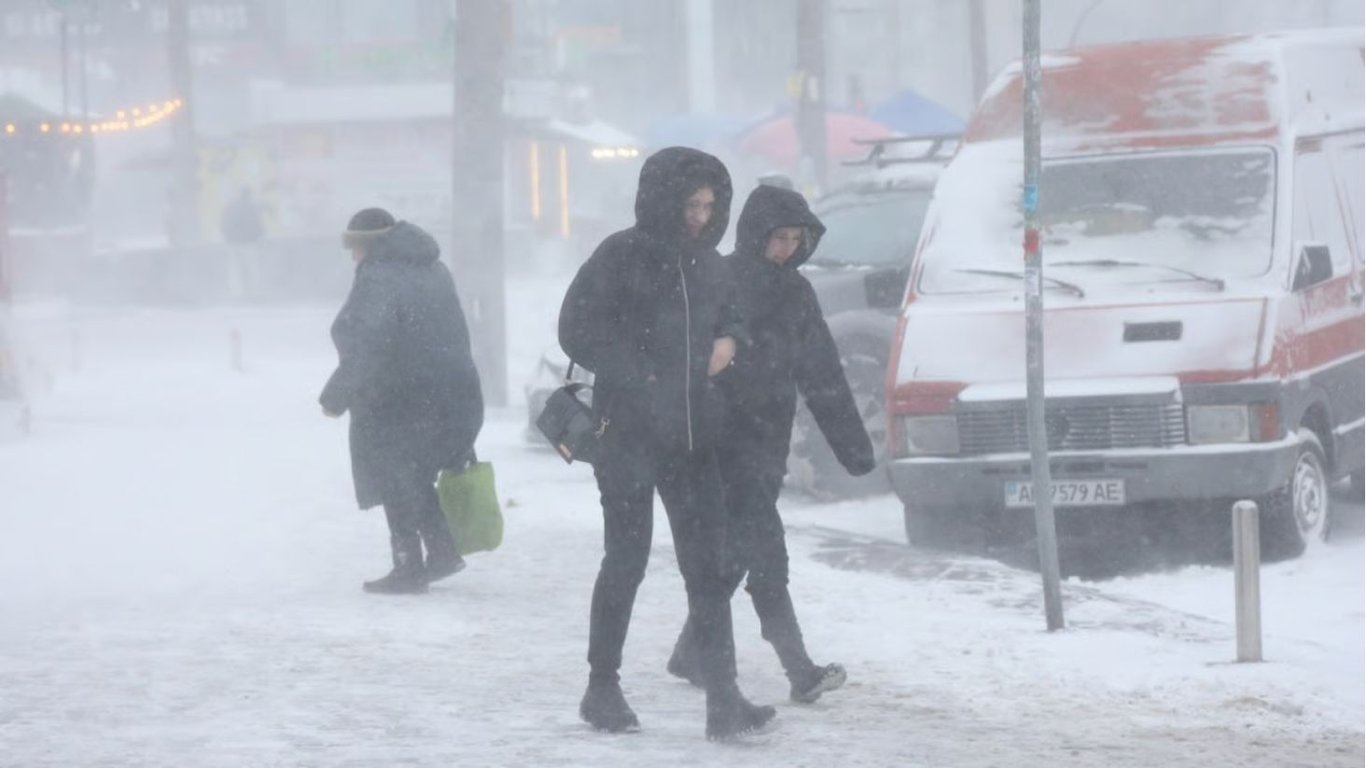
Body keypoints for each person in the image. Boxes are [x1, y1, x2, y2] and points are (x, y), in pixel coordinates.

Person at [558, 146, 776, 740]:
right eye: (691, 204)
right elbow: (575, 327)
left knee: (707, 566)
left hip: (693, 437)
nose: (702, 217)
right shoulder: (620, 255)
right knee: (626, 560)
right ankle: (602, 685)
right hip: (628, 435)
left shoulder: (710, 264)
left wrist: (730, 339)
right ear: (663, 200)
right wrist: (642, 372)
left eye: (709, 205)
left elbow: (733, 317)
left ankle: (724, 697)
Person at [665, 184, 876, 703]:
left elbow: (822, 371)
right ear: (756, 234)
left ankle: (692, 652)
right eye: (777, 238)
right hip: (719, 443)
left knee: (739, 553)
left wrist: (853, 447)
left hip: (766, 447)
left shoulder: (797, 293)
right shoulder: (719, 279)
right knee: (763, 553)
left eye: (793, 239)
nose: (784, 248)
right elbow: (685, 358)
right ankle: (799, 670)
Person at [320, 208, 484, 595]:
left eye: (354, 245)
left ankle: (408, 566)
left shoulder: (379, 277)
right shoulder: (434, 269)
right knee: (415, 473)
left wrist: (336, 395)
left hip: (398, 393)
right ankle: (442, 552)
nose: (351, 255)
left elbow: (371, 344)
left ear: (370, 244)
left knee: (394, 476)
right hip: (446, 389)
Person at [219, 187, 265, 300]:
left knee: (235, 269)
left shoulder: (230, 207)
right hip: (249, 242)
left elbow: (224, 224)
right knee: (252, 267)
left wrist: (228, 237)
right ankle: (255, 291)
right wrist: (258, 236)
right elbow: (258, 225)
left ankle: (236, 292)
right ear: (249, 195)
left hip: (233, 243)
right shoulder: (252, 208)